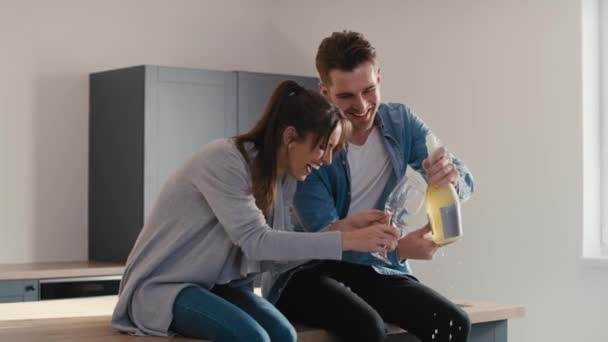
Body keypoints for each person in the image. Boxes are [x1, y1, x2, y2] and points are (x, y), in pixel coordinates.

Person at [111, 80, 401, 342]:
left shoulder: (284, 177)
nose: (326, 160)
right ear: (290, 137)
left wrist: (342, 229)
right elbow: (257, 241)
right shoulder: (225, 159)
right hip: (165, 287)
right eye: (323, 147)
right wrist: (347, 242)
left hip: (216, 286)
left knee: (284, 335)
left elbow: (278, 253)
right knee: (254, 339)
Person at [263, 31, 475, 342]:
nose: (361, 106)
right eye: (346, 96)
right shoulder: (311, 148)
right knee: (367, 328)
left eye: (368, 90)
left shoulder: (401, 122)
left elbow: (468, 183)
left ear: (379, 78)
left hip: (373, 270)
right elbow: (327, 242)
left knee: (453, 323)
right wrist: (399, 249)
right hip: (308, 271)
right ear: (325, 92)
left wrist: (451, 177)